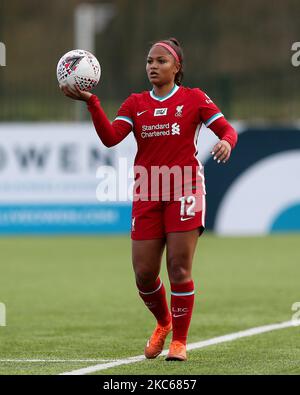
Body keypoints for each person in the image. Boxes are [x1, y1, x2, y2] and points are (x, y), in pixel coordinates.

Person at [60, 37, 238, 361]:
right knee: (143, 272)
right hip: (148, 190)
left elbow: (227, 129)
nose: (153, 66)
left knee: (179, 269)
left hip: (184, 188)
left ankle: (180, 343)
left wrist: (226, 141)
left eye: (161, 61)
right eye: (149, 62)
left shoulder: (193, 98)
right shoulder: (135, 103)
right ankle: (163, 322)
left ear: (177, 67)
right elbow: (111, 138)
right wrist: (91, 103)